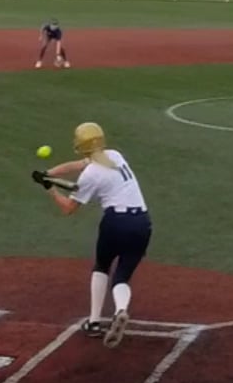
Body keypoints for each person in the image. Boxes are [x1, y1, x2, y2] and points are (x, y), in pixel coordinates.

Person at [35, 123, 152, 349]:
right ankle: (120, 309)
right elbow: (78, 164)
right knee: (122, 276)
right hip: (142, 223)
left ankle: (94, 322)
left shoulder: (90, 175)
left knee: (102, 266)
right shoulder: (114, 155)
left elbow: (68, 208)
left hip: (116, 223)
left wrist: (50, 189)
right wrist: (49, 174)